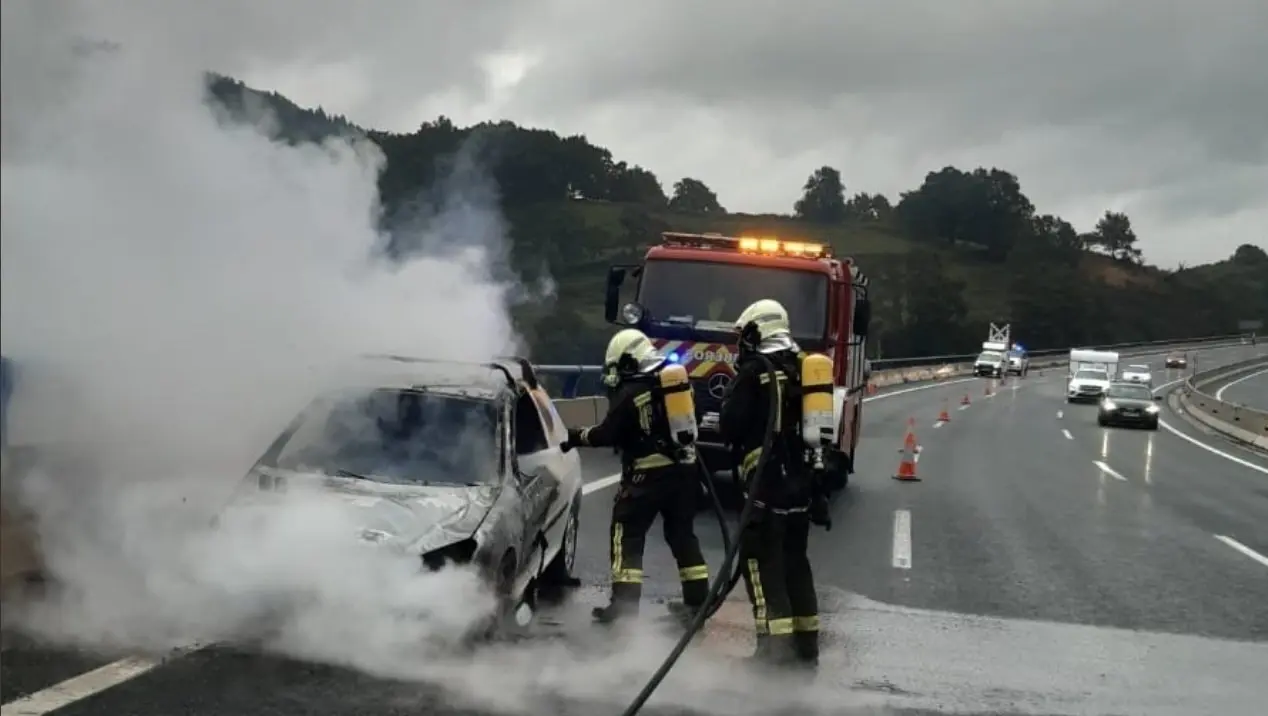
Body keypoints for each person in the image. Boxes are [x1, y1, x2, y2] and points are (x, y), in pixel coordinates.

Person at [560, 328, 710, 623]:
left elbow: (606, 435)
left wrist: (574, 436)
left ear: (628, 362)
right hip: (684, 474)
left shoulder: (630, 392)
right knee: (682, 535)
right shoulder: (679, 385)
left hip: (646, 477)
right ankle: (697, 603)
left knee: (626, 535)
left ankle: (623, 611)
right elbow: (699, 417)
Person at [719, 298, 830, 669]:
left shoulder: (755, 371)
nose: (741, 342)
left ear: (756, 331)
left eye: (743, 334)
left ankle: (773, 654)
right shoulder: (804, 368)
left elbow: (730, 425)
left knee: (762, 568)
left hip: (766, 488)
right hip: (801, 488)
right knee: (796, 564)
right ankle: (806, 647)